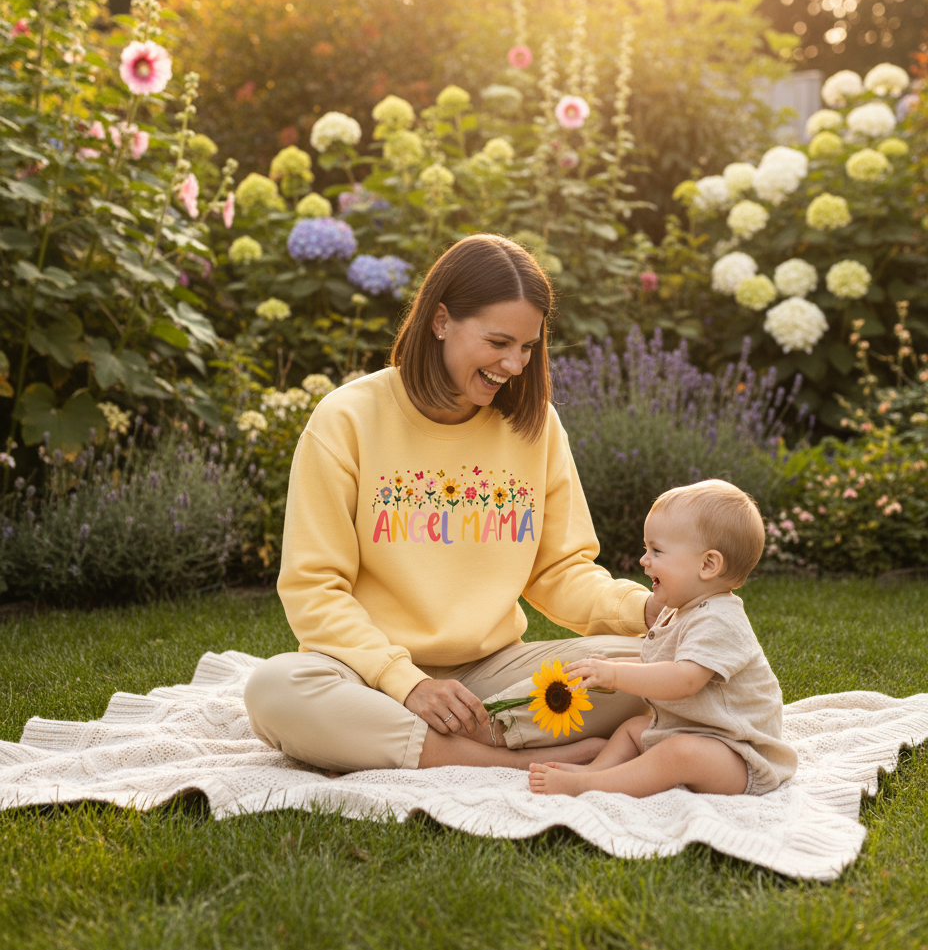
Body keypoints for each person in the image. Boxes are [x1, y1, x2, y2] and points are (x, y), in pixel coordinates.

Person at [244, 233, 660, 774]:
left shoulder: (535, 427)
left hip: (495, 674)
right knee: (275, 690)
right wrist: (407, 683)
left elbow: (560, 571)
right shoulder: (345, 420)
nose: (514, 363)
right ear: (440, 321)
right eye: (498, 342)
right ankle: (491, 756)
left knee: (661, 664)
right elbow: (314, 588)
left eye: (528, 347)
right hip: (372, 677)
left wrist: (643, 612)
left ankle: (458, 740)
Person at [529, 480, 798, 798]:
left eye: (656, 551)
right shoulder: (680, 611)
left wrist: (616, 674)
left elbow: (684, 679)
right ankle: (596, 770)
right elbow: (655, 663)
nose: (644, 560)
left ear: (708, 564)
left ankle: (589, 786)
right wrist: (610, 666)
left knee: (679, 753)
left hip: (740, 754)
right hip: (698, 731)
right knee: (633, 730)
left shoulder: (719, 619)